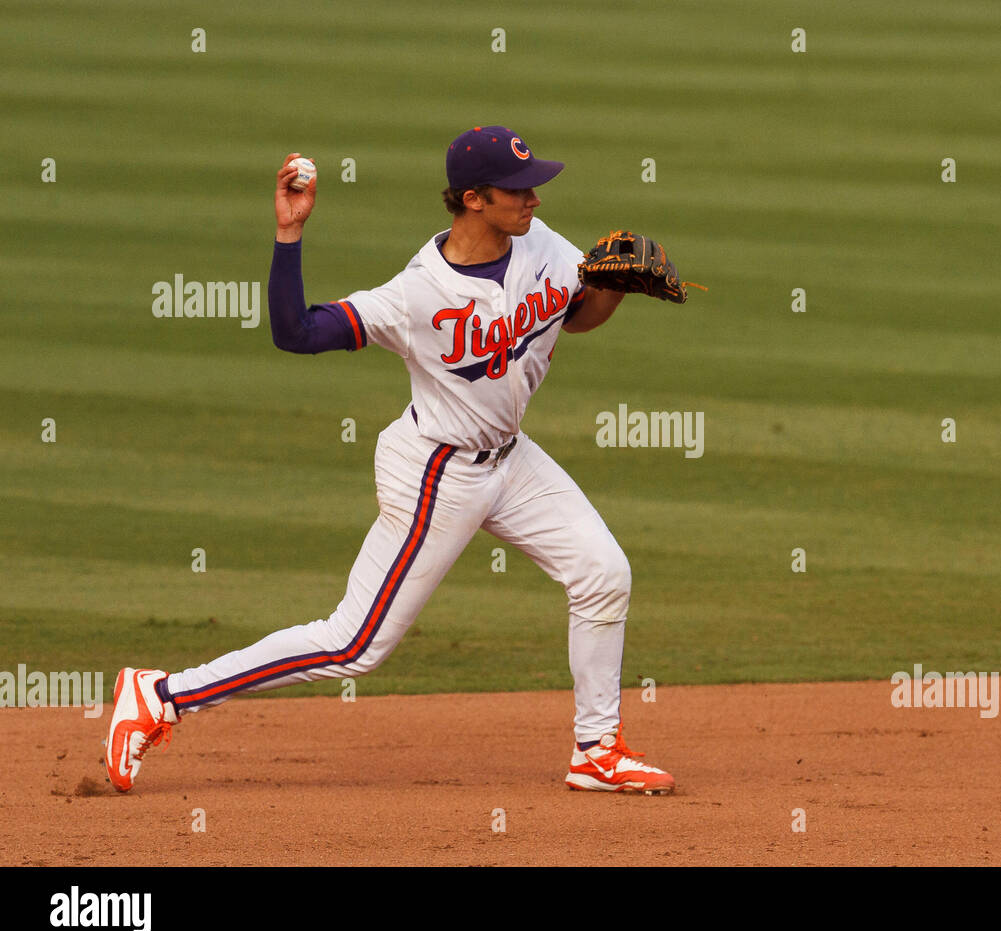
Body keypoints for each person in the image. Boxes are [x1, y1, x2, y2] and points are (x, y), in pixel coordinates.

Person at [104, 126, 674, 796]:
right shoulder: (415, 294)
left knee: (603, 572)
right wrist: (289, 237)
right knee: (353, 646)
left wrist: (615, 290)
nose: (534, 200)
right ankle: (162, 695)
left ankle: (596, 751)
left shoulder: (543, 247)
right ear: (472, 199)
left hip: (512, 460)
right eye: (517, 190)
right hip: (437, 471)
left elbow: (575, 315)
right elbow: (295, 333)